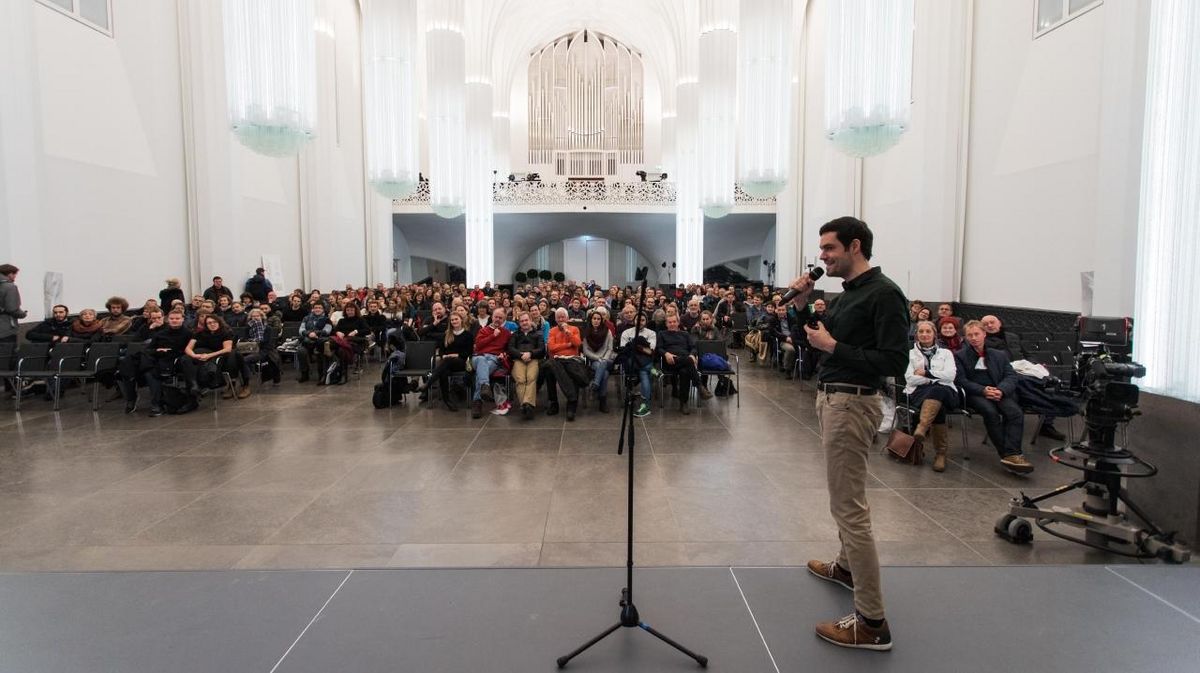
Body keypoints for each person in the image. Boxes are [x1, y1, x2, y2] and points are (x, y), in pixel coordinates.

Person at [785, 216, 908, 651]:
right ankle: (845, 567)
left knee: (849, 507)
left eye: (829, 249)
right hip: (834, 398)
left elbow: (895, 362)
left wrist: (834, 348)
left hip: (853, 402)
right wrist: (800, 304)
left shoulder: (885, 294)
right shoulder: (849, 294)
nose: (822, 257)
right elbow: (813, 340)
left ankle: (872, 621)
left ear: (855, 246)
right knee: (845, 495)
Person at [955, 320, 1034, 474]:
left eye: (977, 334)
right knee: (990, 412)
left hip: (998, 391)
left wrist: (1001, 390)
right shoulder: (959, 356)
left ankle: (1013, 453)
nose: (974, 338)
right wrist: (983, 390)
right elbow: (961, 380)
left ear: (984, 334)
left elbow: (1011, 375)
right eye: (969, 335)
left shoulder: (999, 355)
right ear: (965, 338)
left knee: (1015, 413)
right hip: (976, 393)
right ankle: (1008, 454)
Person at [980, 314, 1065, 441]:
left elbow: (1028, 354)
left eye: (992, 322)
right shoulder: (982, 341)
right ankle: (1020, 414)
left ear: (999, 323)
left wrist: (1033, 365)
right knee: (1027, 386)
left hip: (1024, 368)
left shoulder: (1012, 336)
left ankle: (1046, 424)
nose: (990, 326)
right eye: (986, 324)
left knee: (1052, 382)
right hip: (1004, 373)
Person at [904, 320, 960, 472]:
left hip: (947, 391)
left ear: (935, 334)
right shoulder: (910, 354)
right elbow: (910, 378)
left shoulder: (946, 353)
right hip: (919, 392)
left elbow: (950, 376)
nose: (924, 334)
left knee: (939, 391)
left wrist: (926, 373)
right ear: (916, 335)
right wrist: (935, 378)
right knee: (938, 404)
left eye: (928, 331)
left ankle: (922, 427)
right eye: (921, 332)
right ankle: (940, 454)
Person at [657, 313, 711, 414]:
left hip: (685, 361)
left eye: (674, 322)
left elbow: (693, 347)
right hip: (670, 362)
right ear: (666, 324)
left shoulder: (685, 334)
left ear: (678, 323)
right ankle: (699, 386)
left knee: (684, 371)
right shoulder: (662, 334)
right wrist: (666, 353)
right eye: (670, 322)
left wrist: (692, 354)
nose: (672, 324)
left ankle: (684, 403)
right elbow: (659, 348)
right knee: (689, 362)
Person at [186, 314, 251, 399]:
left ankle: (242, 385)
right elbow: (188, 348)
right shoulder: (199, 333)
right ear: (205, 325)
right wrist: (194, 355)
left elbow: (227, 349)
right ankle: (197, 385)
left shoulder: (225, 332)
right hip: (209, 356)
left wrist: (209, 355)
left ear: (219, 322)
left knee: (233, 356)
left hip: (224, 354)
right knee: (187, 359)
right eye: (209, 323)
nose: (212, 324)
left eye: (214, 322)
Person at [418, 312, 473, 411]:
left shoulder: (468, 334)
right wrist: (443, 355)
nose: (454, 321)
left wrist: (456, 355)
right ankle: (447, 400)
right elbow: (442, 350)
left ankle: (429, 383)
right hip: (446, 362)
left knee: (446, 362)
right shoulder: (447, 334)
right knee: (444, 372)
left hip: (461, 362)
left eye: (456, 319)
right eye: (452, 320)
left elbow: (469, 352)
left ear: (461, 320)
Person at [144, 310, 193, 416]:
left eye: (177, 318)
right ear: (168, 320)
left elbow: (189, 351)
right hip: (159, 359)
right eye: (172, 319)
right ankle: (157, 404)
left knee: (154, 372)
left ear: (182, 319)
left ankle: (160, 403)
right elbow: (149, 349)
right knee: (149, 372)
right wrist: (158, 350)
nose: (174, 321)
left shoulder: (188, 334)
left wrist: (171, 351)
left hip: (177, 361)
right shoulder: (160, 334)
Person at [544, 307, 587, 421]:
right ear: (556, 319)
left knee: (572, 371)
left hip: (571, 359)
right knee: (549, 368)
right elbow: (551, 348)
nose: (561, 319)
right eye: (558, 317)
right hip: (557, 359)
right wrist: (568, 345)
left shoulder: (574, 329)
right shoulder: (552, 330)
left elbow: (577, 343)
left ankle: (571, 406)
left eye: (563, 317)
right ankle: (555, 402)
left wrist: (567, 332)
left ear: (567, 318)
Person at [470, 308, 511, 418]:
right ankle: (486, 386)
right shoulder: (484, 330)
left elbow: (508, 349)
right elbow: (478, 346)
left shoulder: (506, 333)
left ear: (504, 319)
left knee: (483, 370)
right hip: (478, 357)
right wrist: (493, 336)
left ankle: (477, 402)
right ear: (492, 317)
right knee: (482, 360)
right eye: (496, 317)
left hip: (494, 358)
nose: (497, 319)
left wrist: (504, 353)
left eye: (500, 318)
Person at [507, 311, 546, 420]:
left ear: (530, 321)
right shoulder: (515, 334)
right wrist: (520, 355)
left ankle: (526, 404)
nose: (524, 323)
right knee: (520, 379)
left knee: (531, 378)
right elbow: (510, 349)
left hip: (533, 359)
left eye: (526, 320)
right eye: (522, 321)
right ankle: (527, 405)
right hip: (518, 359)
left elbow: (542, 349)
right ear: (519, 323)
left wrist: (531, 353)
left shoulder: (538, 334)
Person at [619, 313, 656, 418]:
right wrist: (641, 348)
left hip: (645, 360)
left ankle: (646, 406)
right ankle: (652, 370)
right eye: (638, 320)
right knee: (644, 370)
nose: (640, 322)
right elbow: (623, 350)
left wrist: (634, 346)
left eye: (643, 320)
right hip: (630, 362)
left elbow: (650, 351)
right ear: (634, 321)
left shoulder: (651, 333)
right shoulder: (626, 332)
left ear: (646, 321)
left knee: (644, 374)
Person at [582, 309, 615, 413]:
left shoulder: (607, 331)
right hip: (594, 360)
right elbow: (585, 350)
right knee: (604, 374)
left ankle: (595, 384)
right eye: (594, 318)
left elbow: (610, 348)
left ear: (601, 320)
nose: (596, 320)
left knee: (604, 364)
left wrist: (604, 359)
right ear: (591, 320)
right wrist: (597, 358)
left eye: (598, 319)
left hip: (608, 360)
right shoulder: (586, 332)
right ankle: (602, 401)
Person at [297, 303, 332, 383]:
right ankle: (304, 374)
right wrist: (309, 334)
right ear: (312, 309)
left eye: (320, 308)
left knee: (320, 353)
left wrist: (315, 333)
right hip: (307, 341)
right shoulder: (306, 318)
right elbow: (301, 330)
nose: (317, 309)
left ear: (323, 309)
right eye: (316, 307)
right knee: (301, 351)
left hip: (320, 342)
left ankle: (322, 375)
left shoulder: (327, 319)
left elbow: (327, 331)